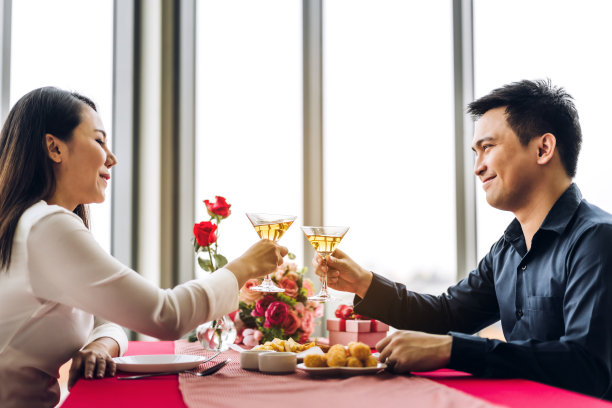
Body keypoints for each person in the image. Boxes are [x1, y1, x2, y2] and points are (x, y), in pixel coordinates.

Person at [314, 79, 612, 399]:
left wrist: (454, 349)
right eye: (475, 152)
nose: (478, 167)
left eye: (487, 147)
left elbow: (587, 367)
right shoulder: (507, 249)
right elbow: (447, 316)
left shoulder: (596, 239)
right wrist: (364, 283)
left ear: (543, 149)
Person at [0, 87, 288, 408]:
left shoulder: (31, 224)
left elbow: (104, 320)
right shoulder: (46, 227)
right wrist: (244, 267)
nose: (112, 157)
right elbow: (166, 316)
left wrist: (100, 346)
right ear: (55, 148)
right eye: (99, 141)